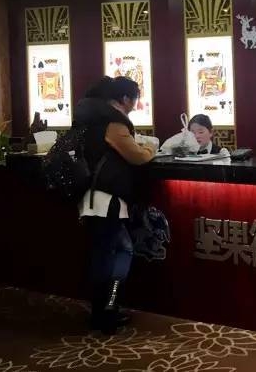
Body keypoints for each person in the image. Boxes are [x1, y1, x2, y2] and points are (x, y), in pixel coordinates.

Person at [73, 76, 156, 334]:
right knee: (118, 252)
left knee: (105, 253)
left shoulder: (90, 118)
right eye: (135, 100)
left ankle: (102, 311)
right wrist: (151, 147)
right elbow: (137, 156)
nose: (135, 105)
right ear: (125, 99)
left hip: (91, 197)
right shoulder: (113, 123)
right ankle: (107, 310)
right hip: (107, 199)